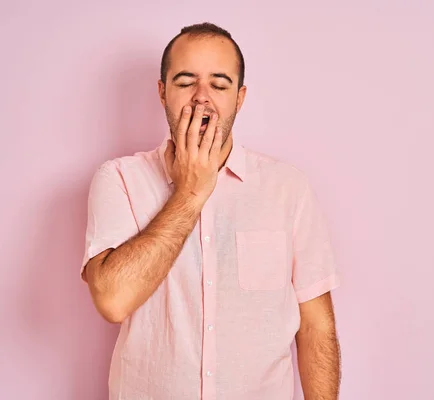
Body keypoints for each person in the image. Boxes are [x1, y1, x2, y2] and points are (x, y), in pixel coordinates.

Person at [79, 22, 341, 400]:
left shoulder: (287, 189)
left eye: (219, 85)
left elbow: (317, 327)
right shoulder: (119, 179)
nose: (202, 98)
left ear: (239, 97)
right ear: (162, 91)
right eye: (186, 82)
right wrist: (190, 192)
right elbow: (113, 300)